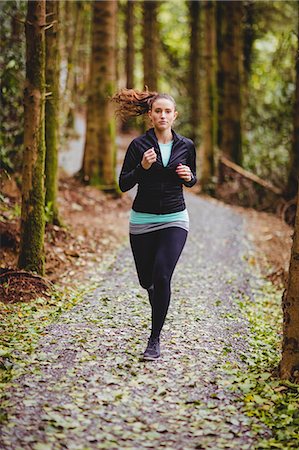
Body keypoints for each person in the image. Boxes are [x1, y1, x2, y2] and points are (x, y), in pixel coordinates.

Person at [114, 88, 197, 361]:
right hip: (142, 220)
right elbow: (124, 183)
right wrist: (142, 168)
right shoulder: (139, 146)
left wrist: (190, 178)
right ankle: (154, 294)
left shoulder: (186, 146)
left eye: (168, 111)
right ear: (150, 115)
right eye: (158, 111)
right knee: (146, 280)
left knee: (162, 276)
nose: (163, 115)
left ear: (175, 116)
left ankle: (154, 340)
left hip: (175, 218)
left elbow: (192, 179)